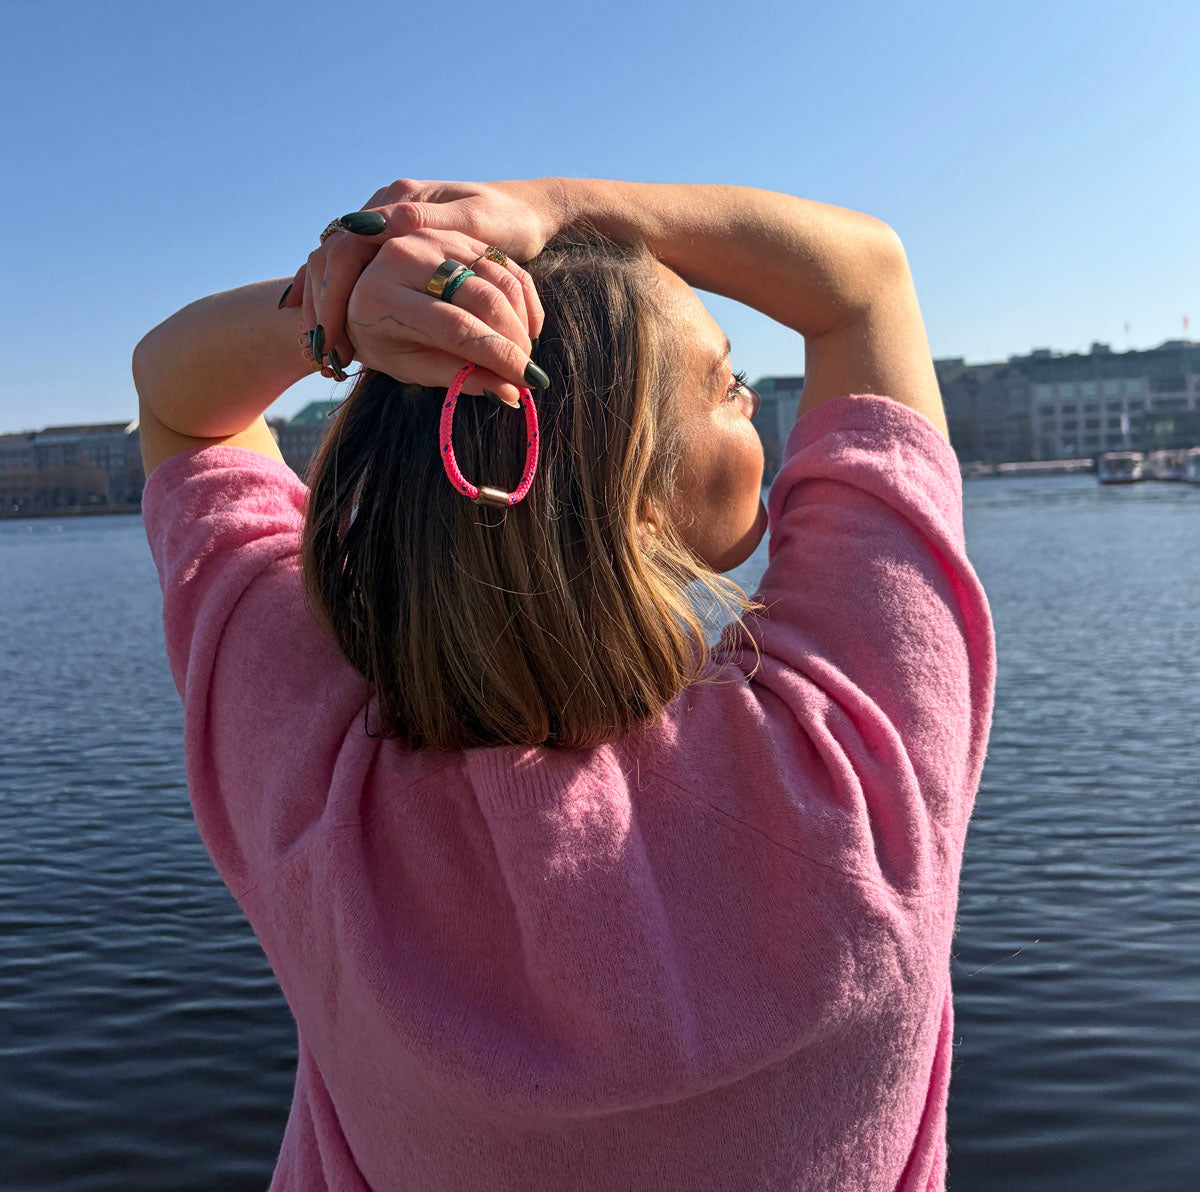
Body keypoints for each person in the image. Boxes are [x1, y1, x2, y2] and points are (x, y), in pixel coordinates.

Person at [132, 177, 996, 1191]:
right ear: (635, 505)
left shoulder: (318, 803)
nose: (753, 398)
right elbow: (862, 285)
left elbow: (180, 406)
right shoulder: (858, 769)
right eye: (724, 385)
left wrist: (336, 316)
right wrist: (555, 203)